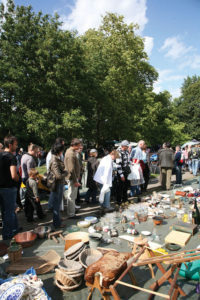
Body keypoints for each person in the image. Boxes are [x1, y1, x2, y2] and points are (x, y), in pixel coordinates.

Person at [0, 135, 20, 240]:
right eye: (16, 145)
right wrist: (18, 179)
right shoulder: (11, 157)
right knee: (10, 212)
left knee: (4, 212)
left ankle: (14, 229)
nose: (17, 147)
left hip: (1, 187)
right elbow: (13, 175)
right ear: (10, 145)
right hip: (8, 188)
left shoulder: (0, 155)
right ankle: (8, 234)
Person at [49, 143, 68, 228]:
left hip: (59, 184)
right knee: (56, 204)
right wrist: (66, 173)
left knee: (58, 203)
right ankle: (57, 223)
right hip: (57, 185)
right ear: (59, 151)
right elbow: (58, 176)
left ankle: (58, 219)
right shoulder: (54, 161)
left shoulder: (56, 158)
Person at [64, 138, 81, 219]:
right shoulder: (70, 154)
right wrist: (75, 181)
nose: (80, 146)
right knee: (71, 196)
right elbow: (71, 169)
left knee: (72, 196)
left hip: (72, 177)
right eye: (79, 145)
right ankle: (71, 214)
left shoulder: (71, 152)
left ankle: (72, 210)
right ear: (75, 145)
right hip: (71, 178)